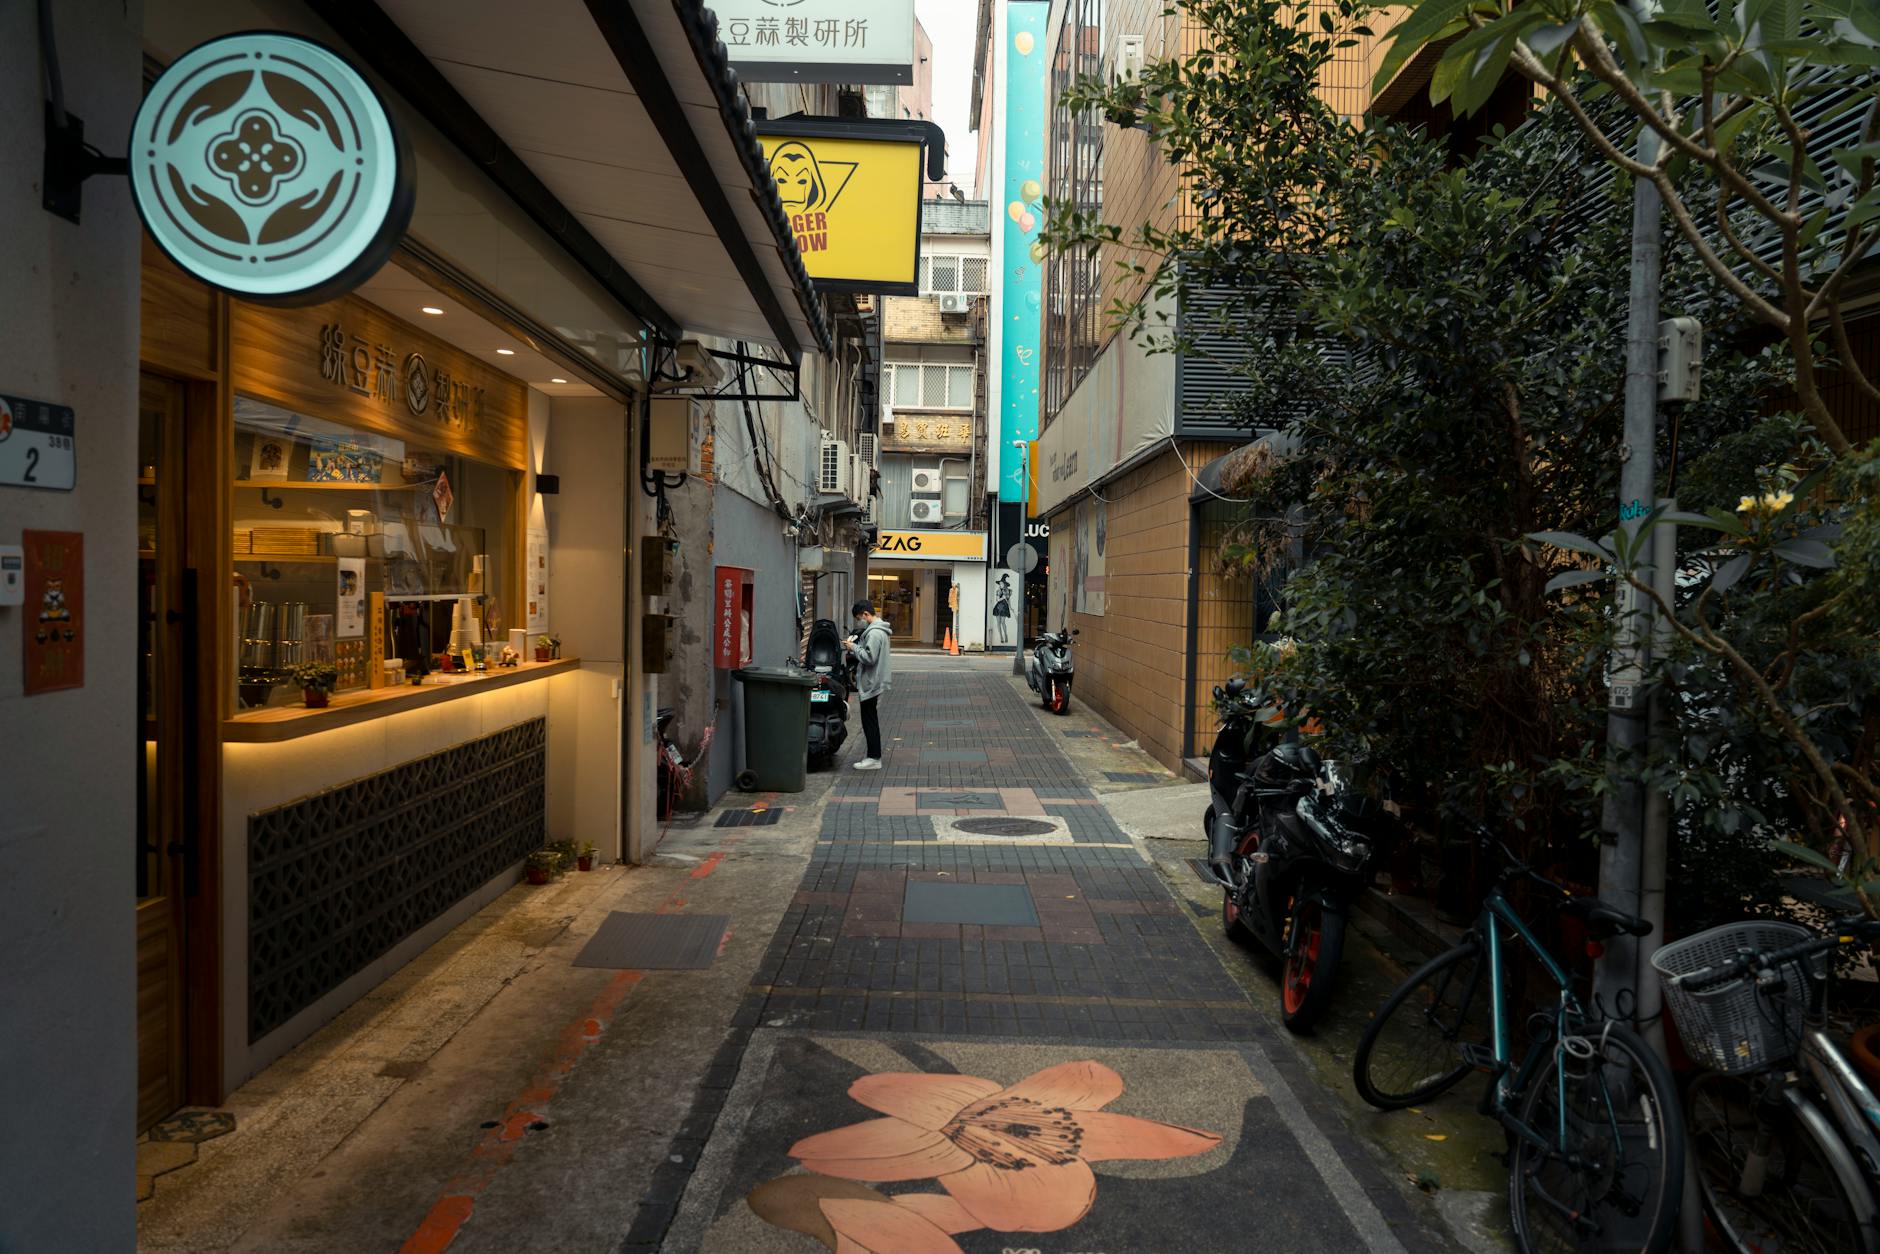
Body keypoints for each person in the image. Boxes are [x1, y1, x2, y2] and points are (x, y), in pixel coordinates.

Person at [842, 599, 892, 770]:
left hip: (871, 681)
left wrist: (853, 647)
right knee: (871, 719)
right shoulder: (879, 630)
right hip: (874, 679)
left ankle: (873, 758)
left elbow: (870, 658)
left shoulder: (874, 633)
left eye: (859, 618)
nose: (859, 621)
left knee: (869, 720)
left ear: (865, 614)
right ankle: (873, 756)